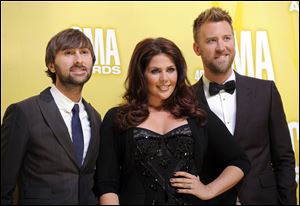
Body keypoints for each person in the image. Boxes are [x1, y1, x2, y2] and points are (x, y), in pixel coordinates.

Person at [94, 37, 250, 205]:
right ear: (141, 75)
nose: (164, 79)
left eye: (170, 70)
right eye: (155, 71)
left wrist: (208, 190)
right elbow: (107, 184)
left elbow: (239, 161)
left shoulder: (196, 114)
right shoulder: (117, 118)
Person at [192, 7, 296, 205]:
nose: (221, 47)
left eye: (227, 38)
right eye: (211, 40)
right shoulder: (185, 100)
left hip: (263, 200)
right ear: (197, 48)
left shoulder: (267, 92)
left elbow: (284, 159)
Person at [1, 28, 101, 205]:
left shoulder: (95, 117)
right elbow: (4, 184)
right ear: (51, 65)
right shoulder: (23, 113)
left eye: (84, 52)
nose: (79, 60)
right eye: (69, 53)